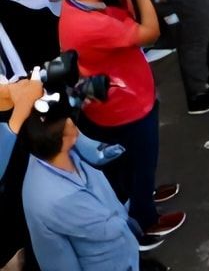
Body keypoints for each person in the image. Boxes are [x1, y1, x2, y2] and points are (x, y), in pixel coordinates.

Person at [53, 0, 186, 244]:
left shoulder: (76, 3)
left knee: (131, 164)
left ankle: (143, 196)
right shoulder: (90, 24)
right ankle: (145, 222)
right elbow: (149, 32)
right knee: (141, 161)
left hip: (114, 97)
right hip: (125, 106)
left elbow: (121, 19)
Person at [20, 105, 144, 270]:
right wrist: (127, 221)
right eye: (68, 123)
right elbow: (103, 229)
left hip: (120, 251)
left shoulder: (53, 153)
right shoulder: (58, 199)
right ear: (62, 141)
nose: (72, 122)